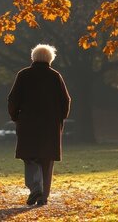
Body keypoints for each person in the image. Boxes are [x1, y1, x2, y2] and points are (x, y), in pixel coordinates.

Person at [8, 44, 71, 206]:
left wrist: (16, 117)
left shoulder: (24, 75)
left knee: (29, 157)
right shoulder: (55, 76)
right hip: (50, 126)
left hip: (28, 124)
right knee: (46, 161)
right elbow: (66, 101)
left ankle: (35, 187)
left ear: (33, 57)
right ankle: (43, 197)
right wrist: (60, 119)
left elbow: (13, 99)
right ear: (50, 58)